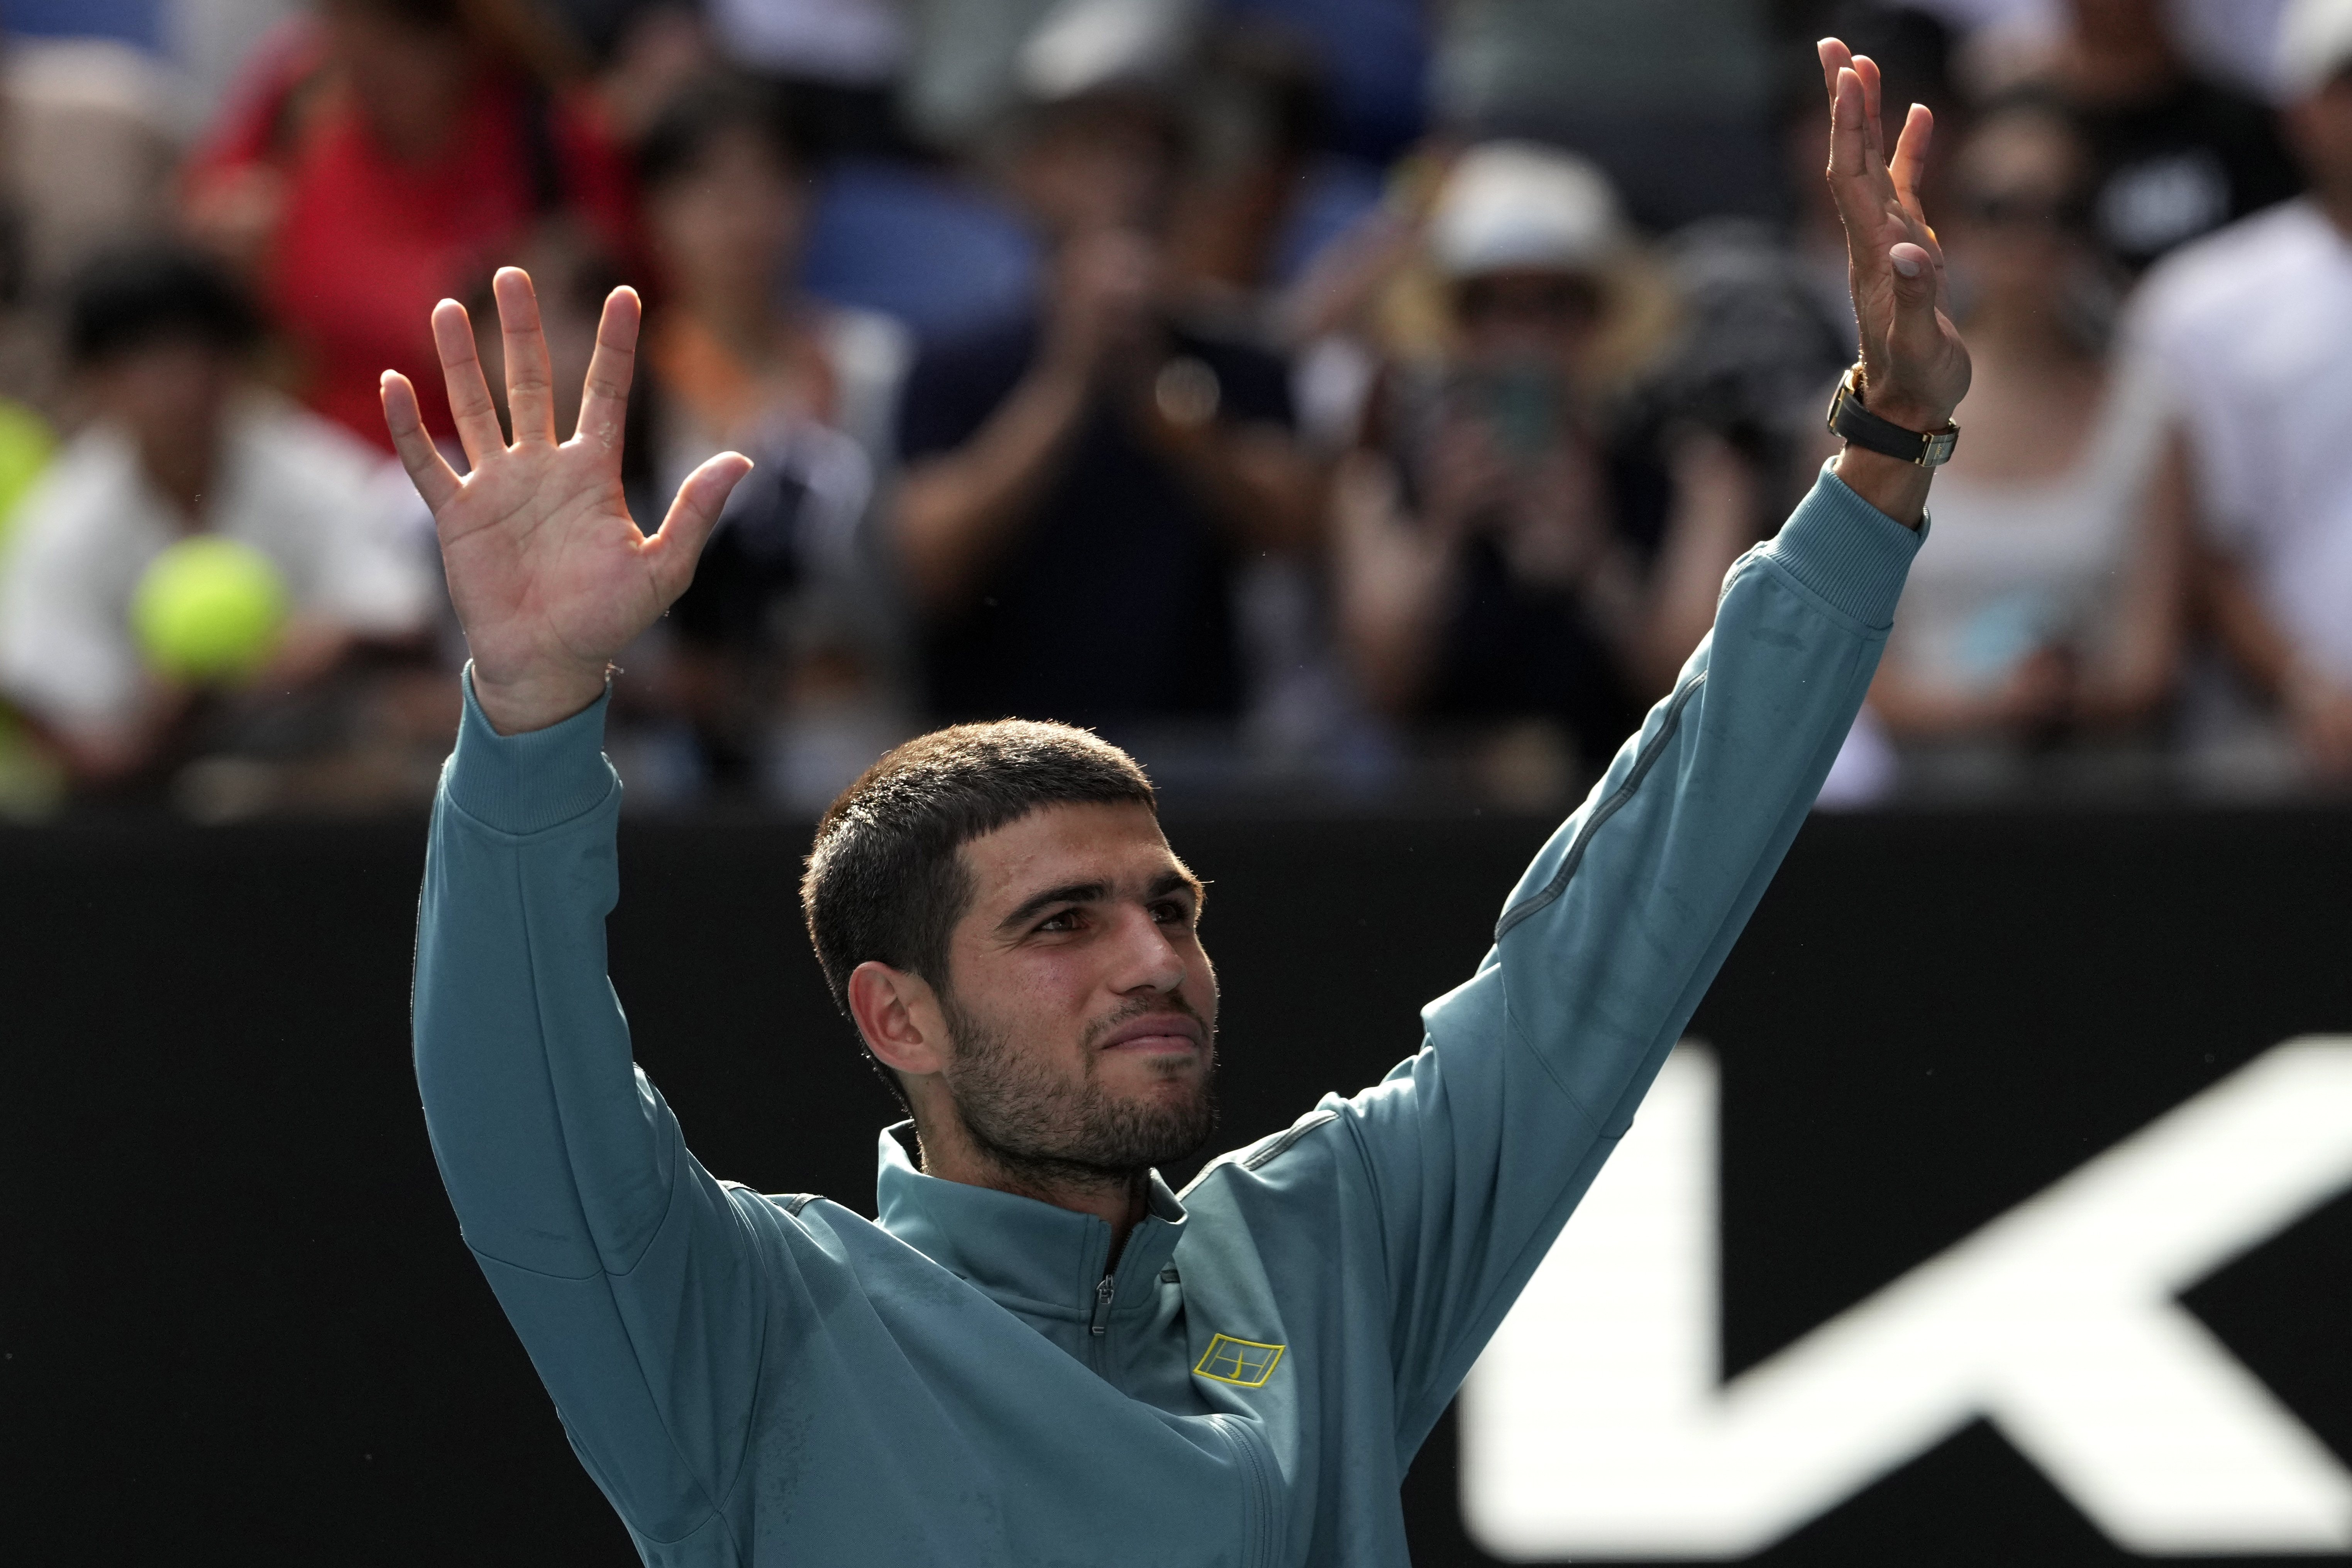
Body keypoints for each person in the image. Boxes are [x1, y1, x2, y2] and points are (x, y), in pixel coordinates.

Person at [386, 37, 1965, 1563]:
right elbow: (515, 1089)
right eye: (1061, 922)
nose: (1154, 957)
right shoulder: (741, 1323)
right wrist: (530, 716)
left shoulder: (1319, 1253)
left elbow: (1617, 939)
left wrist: (1880, 459)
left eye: (1170, 906)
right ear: (897, 1016)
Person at [889, 76, 1319, 732]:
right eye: (1096, 150)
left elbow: (1288, 528)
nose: (1132, 179)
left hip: (1191, 761)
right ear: (1033, 174)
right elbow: (930, 564)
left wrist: (1156, 381)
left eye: (1156, 153)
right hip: (998, 770)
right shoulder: (956, 368)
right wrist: (1067, 379)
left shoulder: (1241, 366)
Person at [1329, 143, 1763, 787]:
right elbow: (1381, 686)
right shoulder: (1379, 484)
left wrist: (1594, 564)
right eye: (1489, 306)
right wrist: (1443, 533)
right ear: (1456, 326)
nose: (1521, 335)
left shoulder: (1695, 478)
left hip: (1628, 820)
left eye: (1553, 304)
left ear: (1596, 321)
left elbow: (1699, 691)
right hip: (1440, 829)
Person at [0, 245, 435, 793]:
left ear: (235, 362)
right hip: (145, 836)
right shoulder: (62, 521)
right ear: (94, 382)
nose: (177, 383)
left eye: (198, 352)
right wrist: (172, 708)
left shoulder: (319, 473)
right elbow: (77, 743)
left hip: (330, 787)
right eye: (141, 359)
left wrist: (336, 639)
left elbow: (406, 618)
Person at [1864, 98, 2185, 757]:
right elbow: (1852, 671)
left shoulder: (2151, 417)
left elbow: (2151, 668)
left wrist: (2061, 700)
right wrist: (1998, 704)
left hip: (2097, 811)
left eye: (2060, 212)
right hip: (1909, 825)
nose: (2029, 239)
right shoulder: (1877, 410)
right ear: (1946, 223)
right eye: (1998, 209)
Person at [182, 0, 637, 452]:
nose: (371, 74)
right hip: (322, 457)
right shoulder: (300, 111)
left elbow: (634, 301)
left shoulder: (551, 140)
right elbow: (199, 213)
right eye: (348, 47)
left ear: (463, 40)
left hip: (490, 463)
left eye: (396, 43)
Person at [2123, 0, 2352, 785]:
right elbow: (2192, 542)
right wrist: (2308, 688)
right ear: (2298, 109)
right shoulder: (2197, 302)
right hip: (2268, 755)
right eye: (2346, 85)